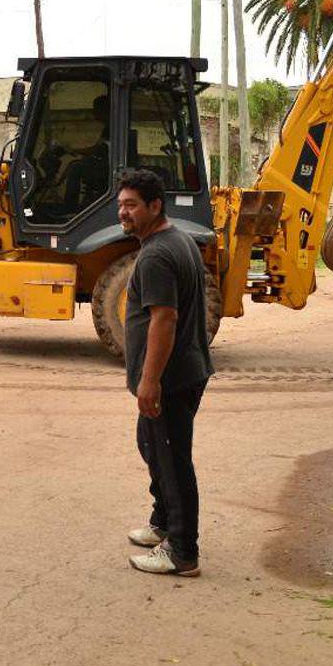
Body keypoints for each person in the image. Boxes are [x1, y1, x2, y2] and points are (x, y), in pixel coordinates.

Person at [115, 169, 213, 577]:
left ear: (155, 206)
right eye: (121, 204)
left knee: (173, 460)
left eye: (132, 205)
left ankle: (182, 552)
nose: (123, 212)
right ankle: (163, 522)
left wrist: (150, 380)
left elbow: (164, 320)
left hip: (170, 377)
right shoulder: (178, 240)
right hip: (186, 369)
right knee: (152, 445)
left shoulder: (156, 255)